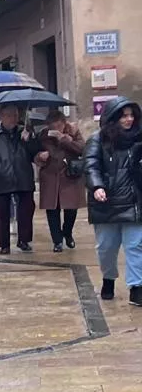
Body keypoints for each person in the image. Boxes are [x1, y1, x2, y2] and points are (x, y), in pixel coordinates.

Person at [85, 98, 142, 303]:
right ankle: (108, 278)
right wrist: (97, 186)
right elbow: (91, 165)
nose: (129, 120)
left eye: (131, 115)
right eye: (124, 116)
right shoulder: (97, 140)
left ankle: (137, 287)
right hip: (106, 203)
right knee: (106, 248)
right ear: (113, 118)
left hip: (134, 201)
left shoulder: (139, 139)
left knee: (136, 245)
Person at [0, 106, 40, 253]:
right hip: (3, 177)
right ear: (1, 116)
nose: (13, 118)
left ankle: (24, 240)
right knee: (2, 213)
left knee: (26, 211)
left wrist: (29, 139)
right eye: (9, 115)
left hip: (23, 176)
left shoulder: (24, 131)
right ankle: (4, 244)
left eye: (15, 115)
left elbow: (35, 152)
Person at [36, 108, 86, 252]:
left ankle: (67, 233)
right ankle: (57, 241)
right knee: (52, 210)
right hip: (50, 176)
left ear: (64, 123)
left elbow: (82, 149)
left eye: (58, 126)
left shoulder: (73, 132)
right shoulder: (43, 135)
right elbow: (34, 153)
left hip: (69, 176)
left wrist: (64, 139)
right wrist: (40, 156)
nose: (55, 129)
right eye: (52, 127)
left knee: (71, 209)